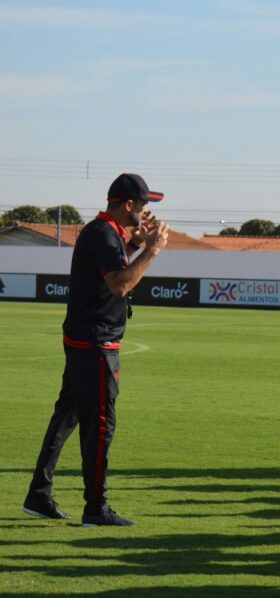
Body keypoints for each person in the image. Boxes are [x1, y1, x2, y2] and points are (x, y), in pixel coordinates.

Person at [23, 173, 168, 527]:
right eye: (144, 203)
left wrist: (136, 245)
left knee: (66, 418)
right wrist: (151, 250)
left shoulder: (106, 233)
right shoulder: (103, 234)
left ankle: (39, 495)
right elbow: (120, 285)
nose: (147, 209)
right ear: (128, 205)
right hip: (96, 344)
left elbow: (113, 270)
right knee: (100, 425)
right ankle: (96, 508)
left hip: (83, 340)